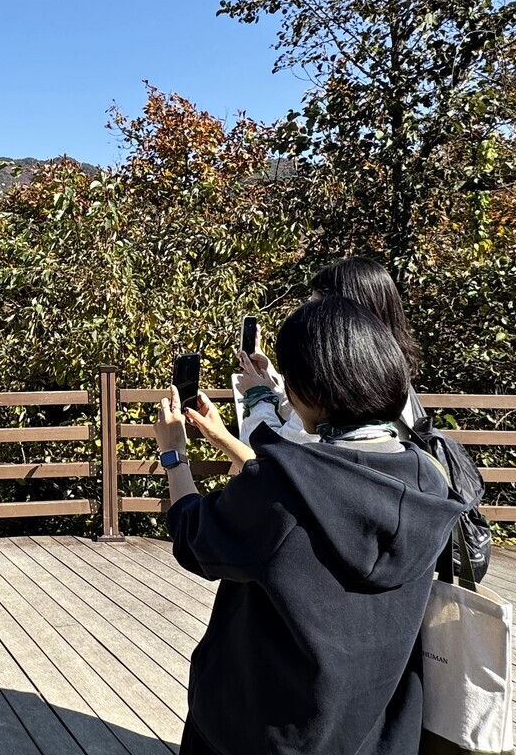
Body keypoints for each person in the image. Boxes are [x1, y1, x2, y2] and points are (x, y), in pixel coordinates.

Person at [153, 295, 466, 755]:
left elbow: (193, 536)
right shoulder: (426, 477)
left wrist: (174, 453)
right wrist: (224, 438)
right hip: (375, 730)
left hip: (258, 731)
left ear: (306, 391)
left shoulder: (283, 484)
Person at [237, 257, 423, 444]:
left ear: (341, 314)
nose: (310, 315)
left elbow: (271, 451)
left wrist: (258, 396)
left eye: (315, 305)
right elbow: (304, 424)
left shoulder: (340, 389)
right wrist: (276, 383)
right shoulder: (389, 376)